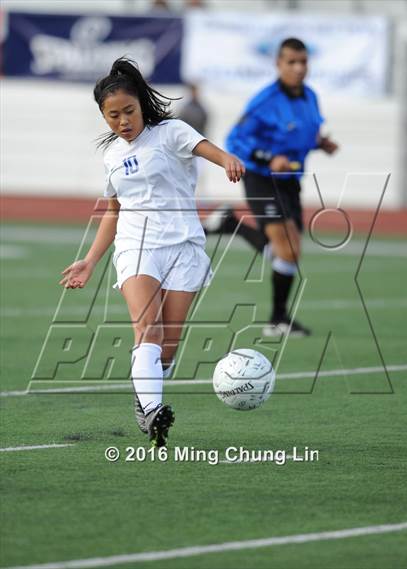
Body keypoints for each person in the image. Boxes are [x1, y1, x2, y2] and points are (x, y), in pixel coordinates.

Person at [59, 58, 244, 447]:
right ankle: (153, 412)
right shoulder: (112, 158)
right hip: (136, 245)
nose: (122, 121)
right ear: (103, 116)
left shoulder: (171, 132)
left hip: (184, 244)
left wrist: (226, 159)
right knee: (149, 329)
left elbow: (206, 148)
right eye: (113, 116)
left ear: (141, 104)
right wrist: (90, 261)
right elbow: (114, 211)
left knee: (166, 349)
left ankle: (146, 394)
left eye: (128, 111)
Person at [207, 37, 338, 337]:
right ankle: (278, 319)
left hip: (290, 181)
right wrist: (268, 158)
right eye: (291, 62)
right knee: (288, 248)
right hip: (261, 177)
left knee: (289, 252)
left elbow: (304, 134)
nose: (299, 68)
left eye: (303, 61)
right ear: (278, 64)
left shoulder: (311, 97)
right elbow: (235, 140)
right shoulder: (265, 101)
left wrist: (321, 144)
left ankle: (231, 224)